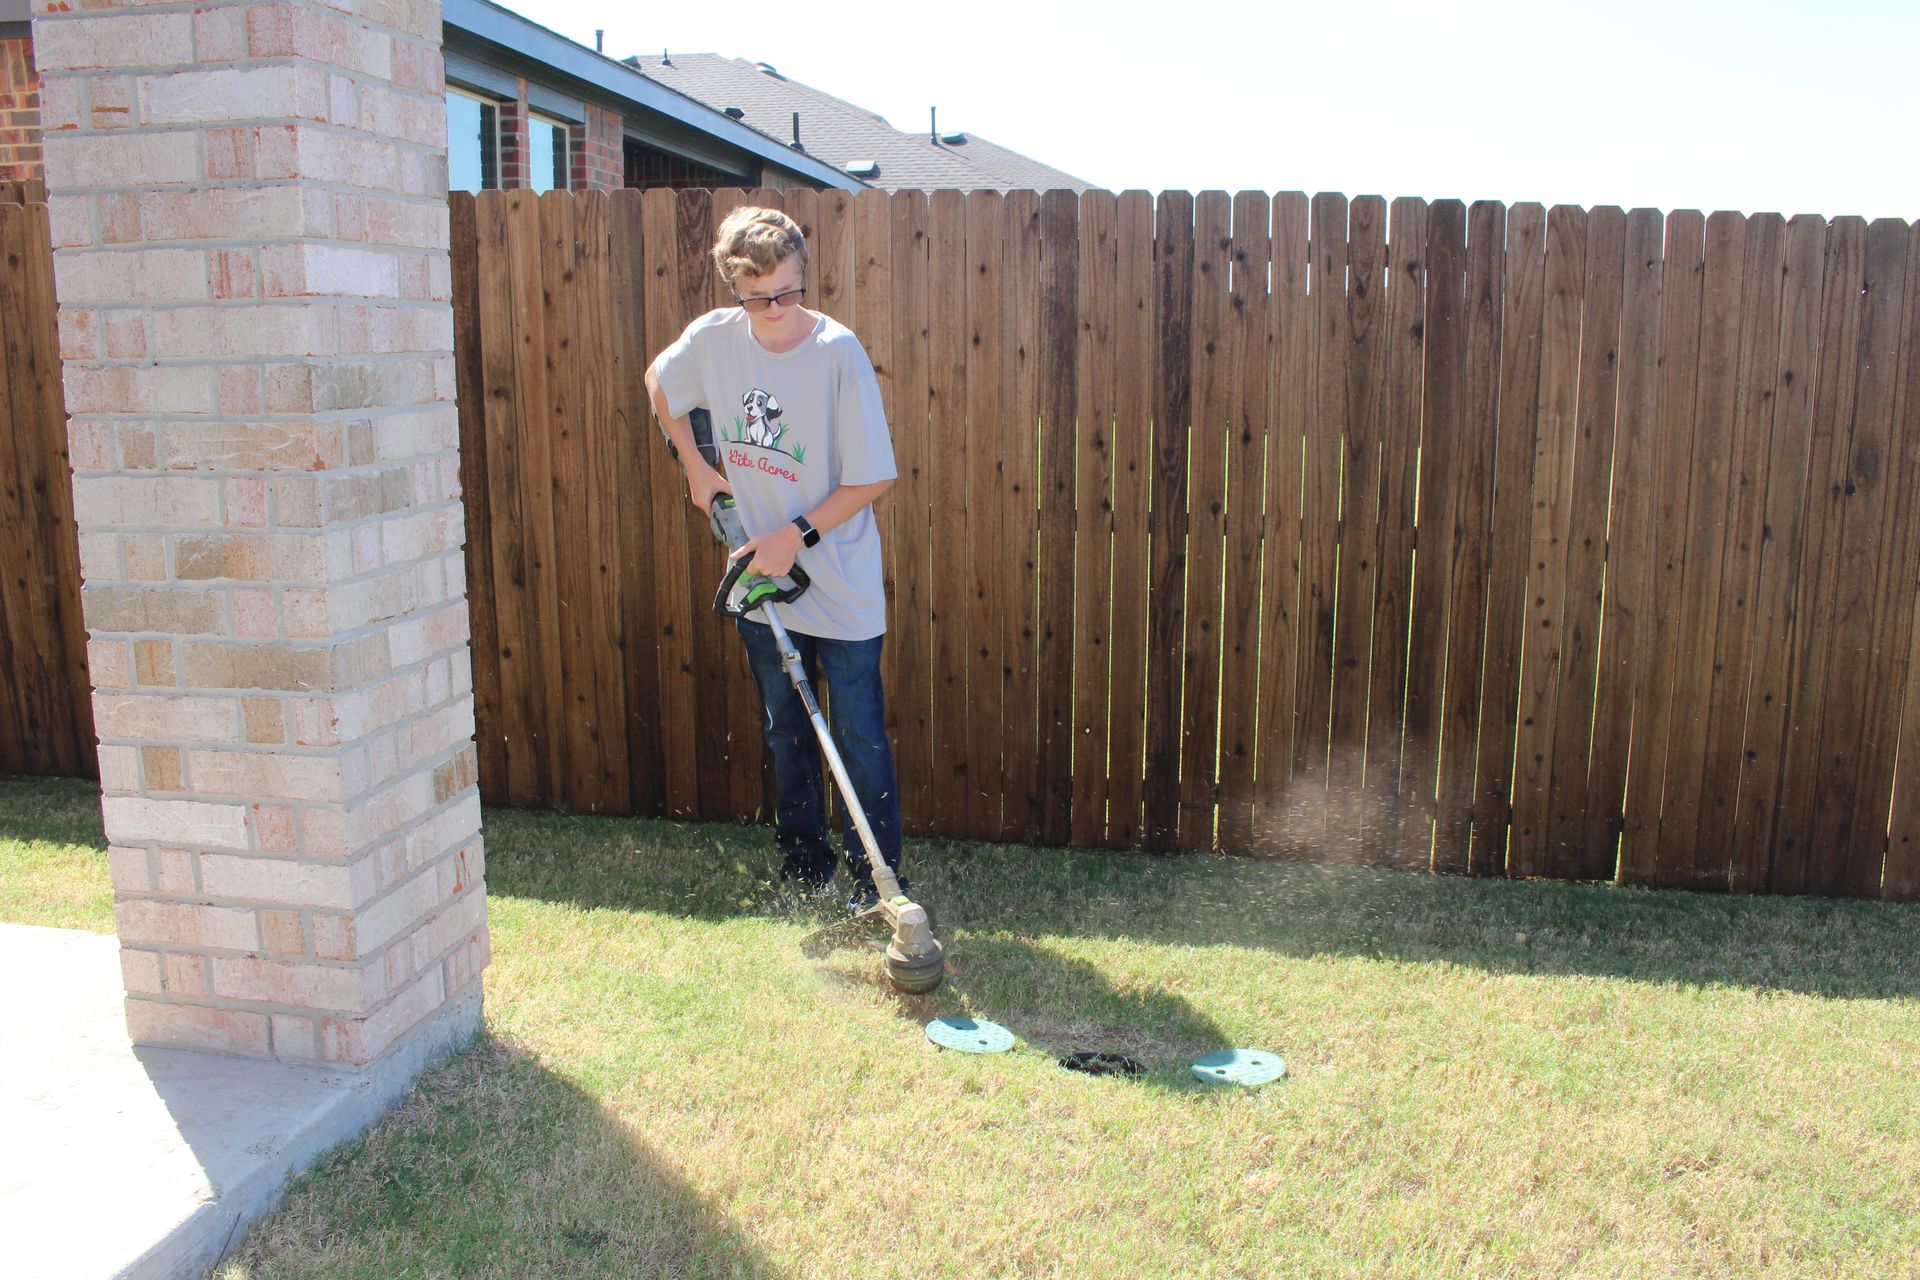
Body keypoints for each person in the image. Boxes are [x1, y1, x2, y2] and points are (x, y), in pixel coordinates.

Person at [644, 206, 906, 912]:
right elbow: (660, 384)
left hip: (839, 576)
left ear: (803, 276)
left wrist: (798, 532)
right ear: (736, 289)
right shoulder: (714, 338)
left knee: (855, 734)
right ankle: (803, 863)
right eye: (758, 299)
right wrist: (696, 468)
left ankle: (876, 882)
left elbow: (873, 477)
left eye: (788, 292)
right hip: (761, 579)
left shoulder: (836, 351)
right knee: (787, 730)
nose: (776, 311)